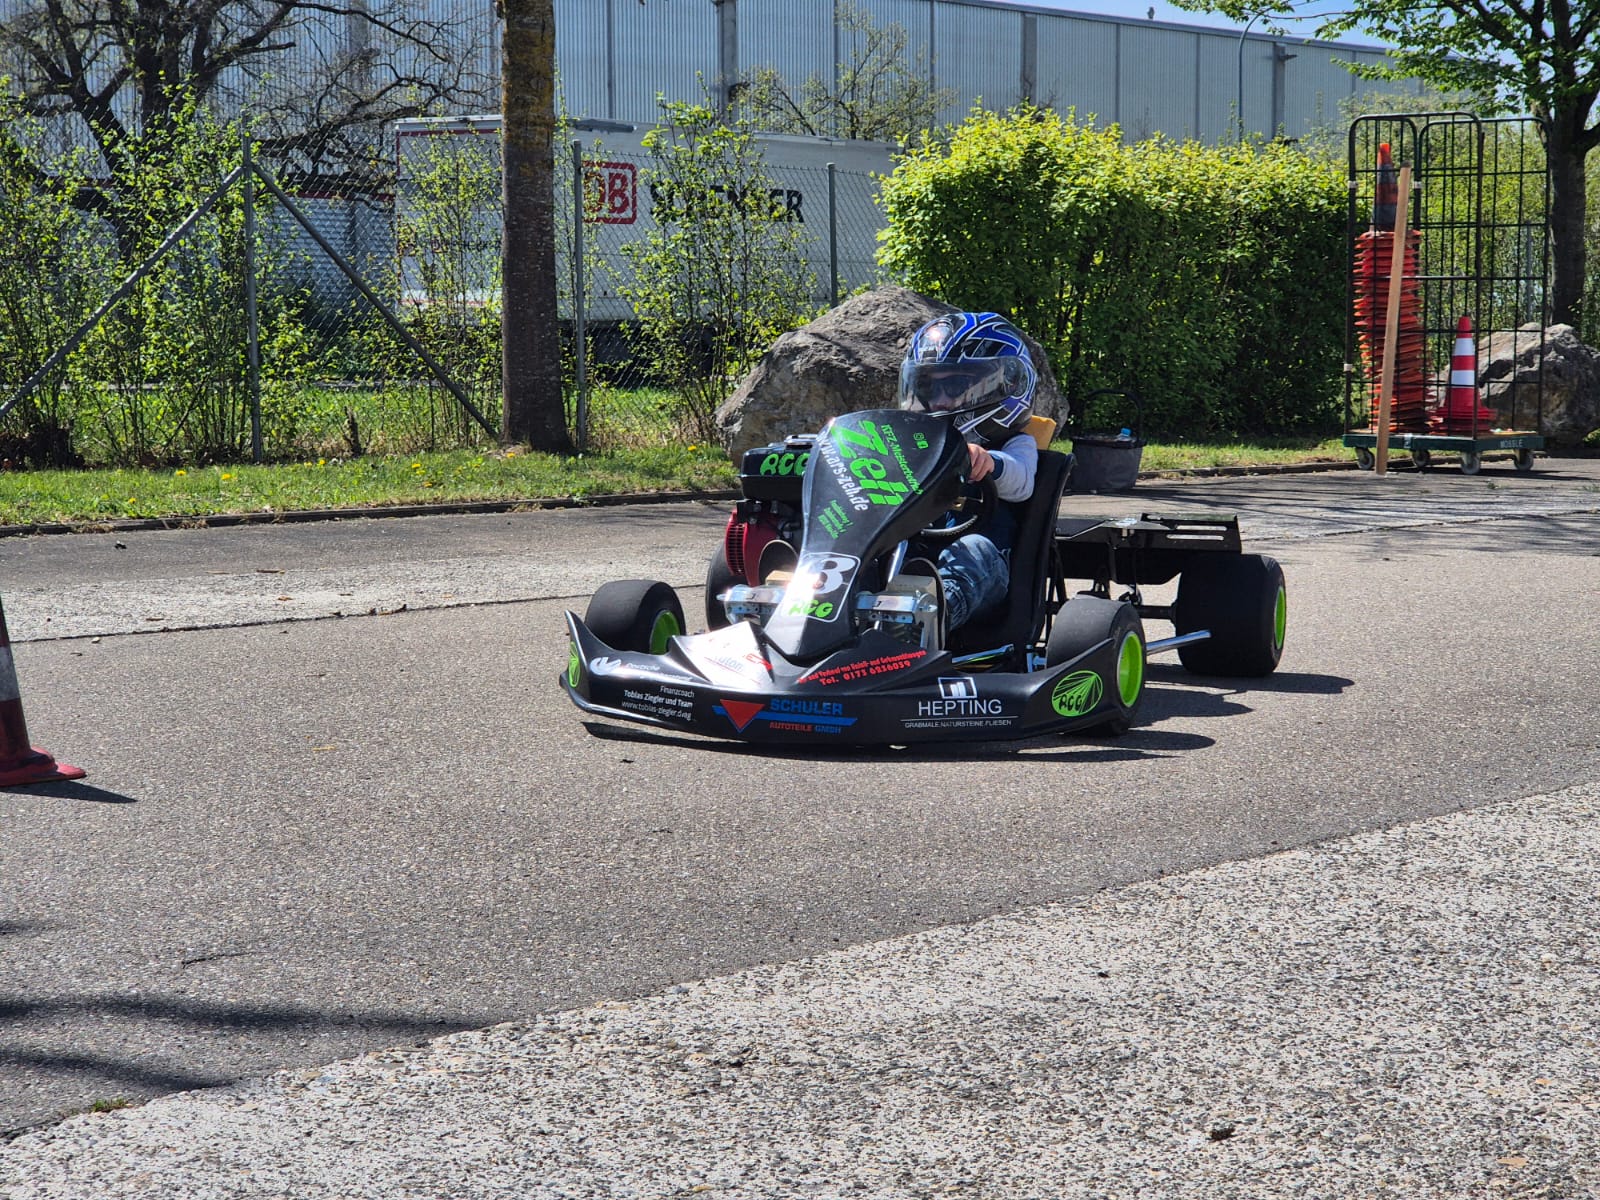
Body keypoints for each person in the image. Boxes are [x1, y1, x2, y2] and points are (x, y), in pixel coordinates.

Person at [896, 312, 1039, 634]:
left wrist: (989, 462)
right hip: (916, 554)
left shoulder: (1016, 443)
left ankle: (925, 625)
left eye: (955, 386)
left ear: (1008, 384)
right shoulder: (912, 445)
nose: (940, 400)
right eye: (929, 387)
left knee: (973, 549)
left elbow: (1022, 483)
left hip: (988, 574)